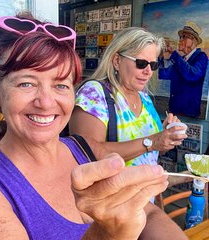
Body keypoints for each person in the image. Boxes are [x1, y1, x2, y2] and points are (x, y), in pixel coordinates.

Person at [0, 14, 187, 240]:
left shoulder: (82, 149)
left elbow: (151, 215)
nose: (46, 103)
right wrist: (109, 235)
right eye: (26, 83)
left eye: (61, 85)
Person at [69, 27, 188, 170]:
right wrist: (152, 141)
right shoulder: (94, 94)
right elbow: (86, 153)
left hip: (148, 190)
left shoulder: (144, 98)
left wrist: (166, 135)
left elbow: (156, 150)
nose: (148, 72)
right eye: (141, 63)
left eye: (153, 65)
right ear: (117, 61)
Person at [158, 21, 208, 118]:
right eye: (180, 37)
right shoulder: (181, 60)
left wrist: (174, 54)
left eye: (184, 37)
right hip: (174, 113)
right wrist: (160, 56)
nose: (180, 40)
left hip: (189, 114)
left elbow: (192, 75)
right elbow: (162, 74)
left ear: (193, 41)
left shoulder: (201, 56)